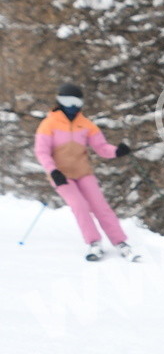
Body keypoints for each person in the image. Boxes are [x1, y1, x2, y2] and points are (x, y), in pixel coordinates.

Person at [34, 83, 138, 261]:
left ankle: (120, 242)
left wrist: (116, 151)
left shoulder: (86, 124)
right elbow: (41, 152)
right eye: (67, 101)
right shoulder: (49, 124)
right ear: (59, 101)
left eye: (76, 102)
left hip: (83, 173)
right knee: (80, 206)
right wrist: (53, 171)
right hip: (61, 176)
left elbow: (101, 147)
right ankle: (94, 242)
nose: (72, 106)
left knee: (100, 206)